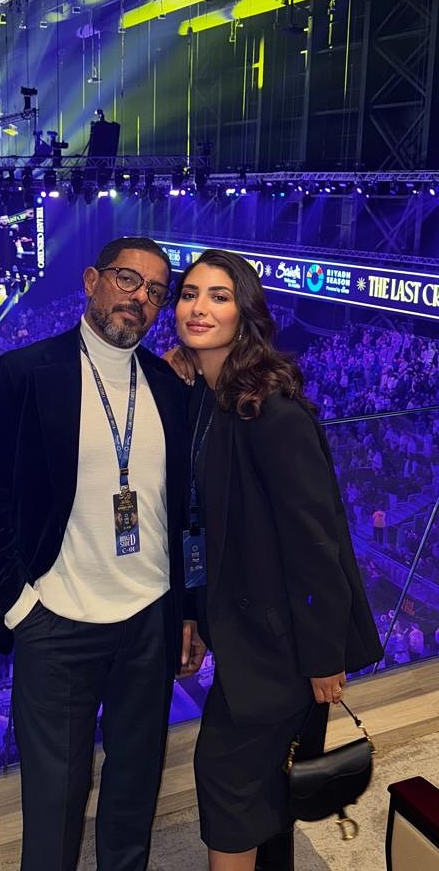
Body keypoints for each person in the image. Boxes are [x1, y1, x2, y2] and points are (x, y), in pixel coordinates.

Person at [0, 236, 192, 871]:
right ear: (92, 281)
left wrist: (186, 610)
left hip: (149, 616)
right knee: (55, 803)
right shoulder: (22, 374)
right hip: (56, 621)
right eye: (127, 279)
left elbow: (185, 509)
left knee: (135, 789)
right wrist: (18, 605)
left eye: (155, 291)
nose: (139, 298)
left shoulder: (170, 387)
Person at [166, 249, 383, 871]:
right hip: (247, 632)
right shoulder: (209, 401)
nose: (199, 307)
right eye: (189, 294)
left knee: (227, 777)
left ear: (246, 314)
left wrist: (324, 657)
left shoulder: (272, 414)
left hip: (283, 645)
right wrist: (195, 612)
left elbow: (315, 544)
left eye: (219, 296)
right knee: (269, 789)